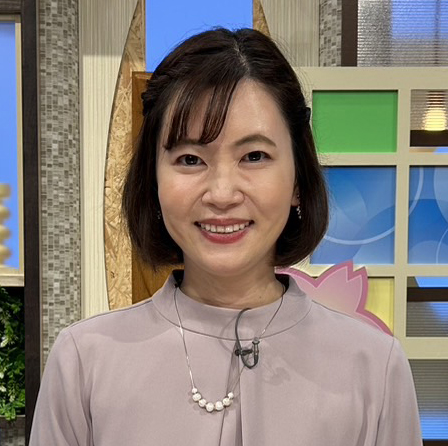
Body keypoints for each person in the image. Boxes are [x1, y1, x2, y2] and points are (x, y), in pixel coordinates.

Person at [29, 28, 422, 445]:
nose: (221, 194)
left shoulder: (374, 367)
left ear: (297, 180)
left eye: (254, 156)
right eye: (190, 159)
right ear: (154, 181)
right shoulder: (83, 362)